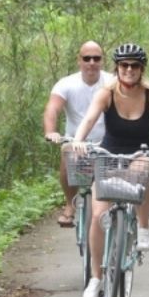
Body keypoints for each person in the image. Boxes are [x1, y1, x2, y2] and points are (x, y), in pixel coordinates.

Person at [72, 43, 149, 297]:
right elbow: (89, 119)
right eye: (124, 65)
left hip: (142, 152)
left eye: (135, 66)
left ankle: (143, 228)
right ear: (117, 68)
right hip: (109, 153)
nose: (129, 70)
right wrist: (79, 140)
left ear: (142, 69)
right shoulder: (106, 93)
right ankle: (96, 277)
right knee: (97, 215)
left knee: (140, 174)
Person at [42, 42, 114, 227]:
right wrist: (51, 131)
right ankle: (70, 204)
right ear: (79, 60)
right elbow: (52, 108)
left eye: (96, 58)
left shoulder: (113, 82)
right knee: (67, 154)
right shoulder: (66, 84)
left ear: (102, 61)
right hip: (76, 141)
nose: (91, 63)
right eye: (86, 58)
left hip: (107, 141)